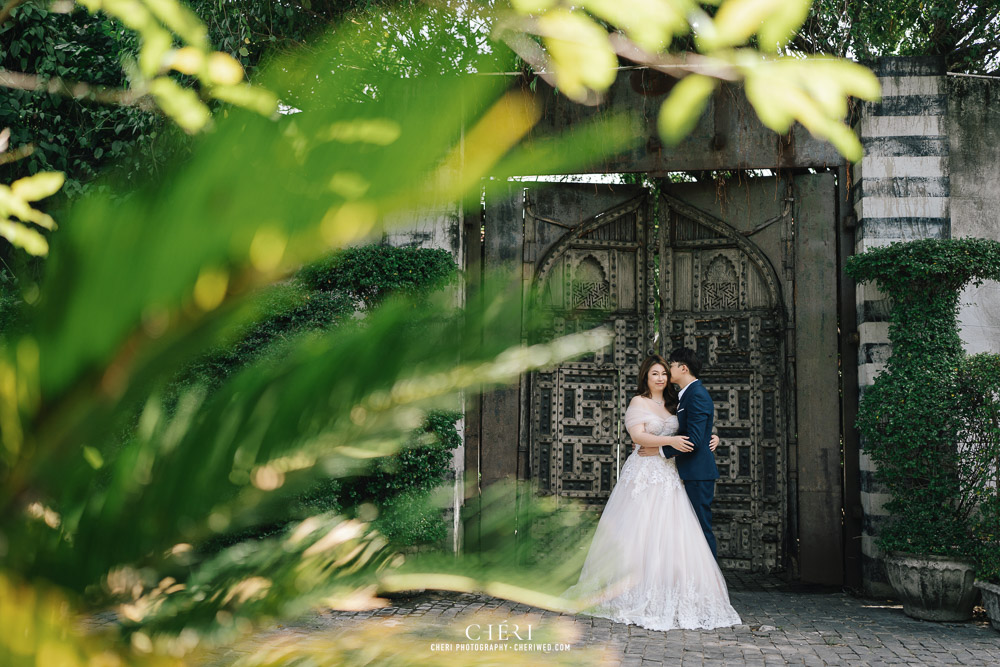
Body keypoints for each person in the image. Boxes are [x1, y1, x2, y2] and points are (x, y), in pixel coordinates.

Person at [564, 354, 741, 631]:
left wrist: (711, 437)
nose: (660, 378)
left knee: (673, 533)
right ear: (646, 377)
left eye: (663, 373)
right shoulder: (639, 402)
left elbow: (694, 429)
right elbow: (637, 437)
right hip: (645, 471)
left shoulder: (676, 402)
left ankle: (679, 590)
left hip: (670, 473)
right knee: (639, 530)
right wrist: (669, 440)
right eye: (654, 374)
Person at [637, 347, 720, 559]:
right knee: (688, 531)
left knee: (700, 529)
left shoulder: (697, 395)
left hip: (697, 474)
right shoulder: (684, 395)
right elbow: (695, 430)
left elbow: (693, 439)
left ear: (683, 368)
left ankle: (710, 585)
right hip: (685, 472)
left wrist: (659, 450)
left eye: (670, 367)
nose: (666, 371)